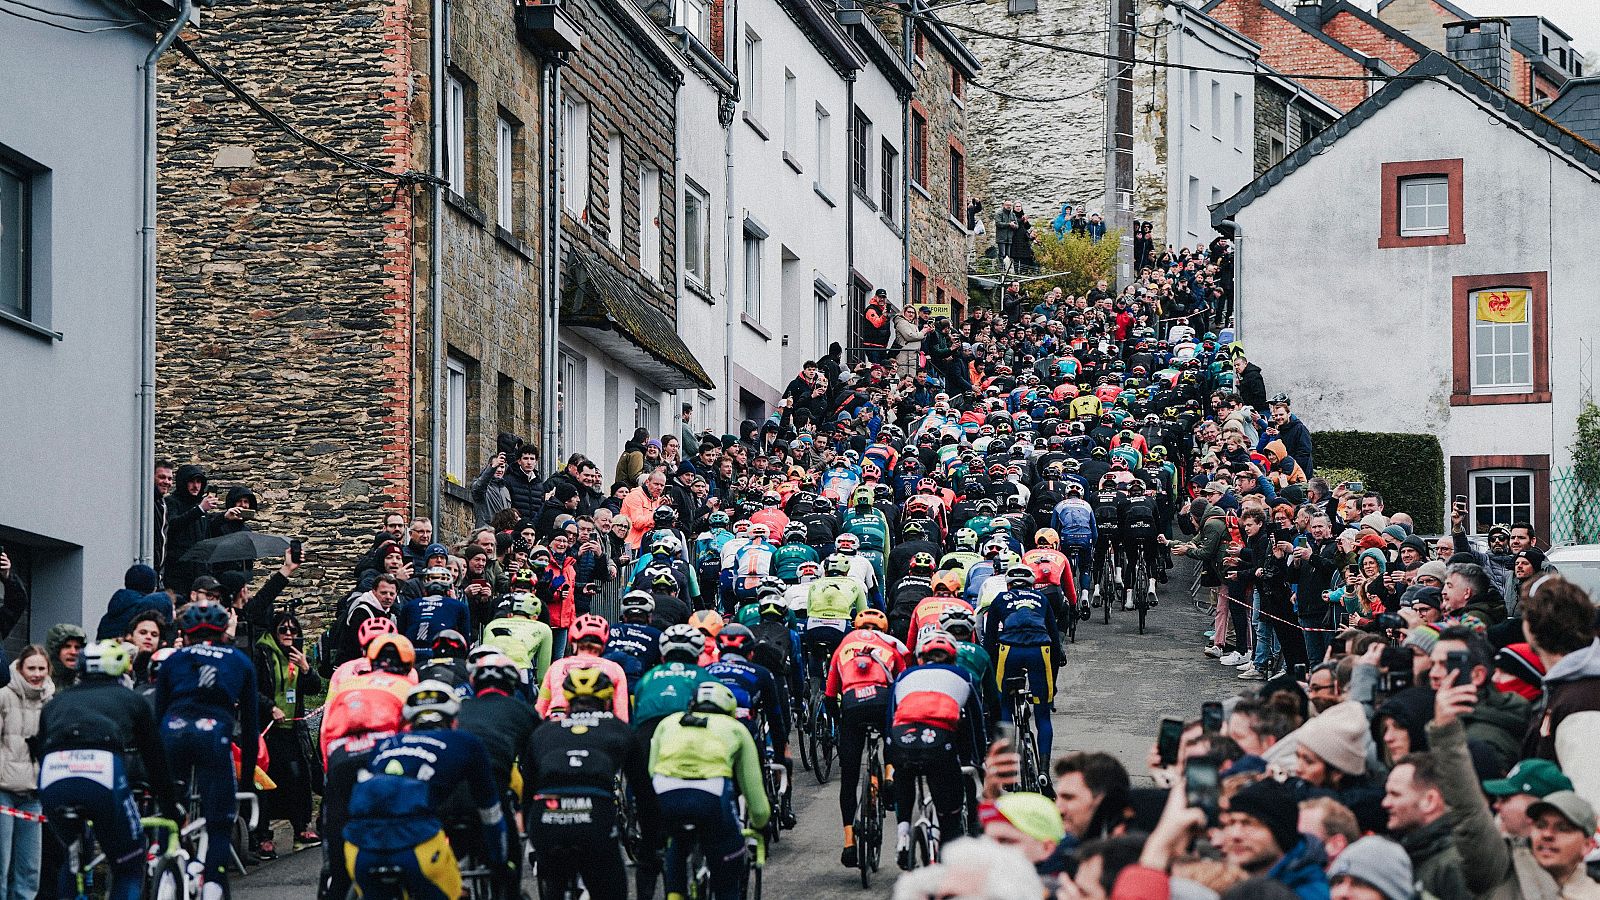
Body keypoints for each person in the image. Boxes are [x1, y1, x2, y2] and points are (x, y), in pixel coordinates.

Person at [1430, 673, 1600, 897]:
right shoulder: (1501, 867)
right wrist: (1445, 732)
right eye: (1540, 825)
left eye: (1562, 828)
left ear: (1587, 844)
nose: (1547, 835)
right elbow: (1468, 811)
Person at [37, 641, 180, 900]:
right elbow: (155, 760)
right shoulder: (132, 700)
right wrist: (170, 806)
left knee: (72, 859)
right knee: (128, 863)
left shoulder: (56, 703)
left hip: (53, 775)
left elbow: (39, 748)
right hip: (101, 771)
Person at [344, 681, 507, 900]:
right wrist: (499, 859)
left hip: (360, 850)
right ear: (454, 719)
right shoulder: (466, 742)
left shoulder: (385, 744)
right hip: (418, 846)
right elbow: (489, 808)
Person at [523, 668, 656, 900]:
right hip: (594, 817)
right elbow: (643, 793)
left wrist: (530, 833)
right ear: (607, 701)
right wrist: (651, 843)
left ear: (567, 701)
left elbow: (528, 792)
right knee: (612, 889)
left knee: (553, 882)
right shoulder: (618, 728)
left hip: (548, 818)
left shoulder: (544, 731)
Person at [158, 601, 259, 900]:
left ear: (185, 633)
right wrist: (247, 779)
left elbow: (158, 714)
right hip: (213, 736)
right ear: (224, 632)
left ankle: (164, 866)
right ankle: (213, 881)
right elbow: (250, 726)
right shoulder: (240, 661)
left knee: (169, 812)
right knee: (220, 821)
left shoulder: (174, 659)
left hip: (172, 733)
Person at [649, 681, 770, 900]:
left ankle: (674, 893)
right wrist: (761, 823)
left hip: (665, 791)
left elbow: (652, 771)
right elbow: (753, 789)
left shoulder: (667, 723)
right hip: (710, 794)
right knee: (728, 877)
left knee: (676, 840)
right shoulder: (736, 728)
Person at [887, 631, 985, 870]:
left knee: (904, 775)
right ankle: (947, 854)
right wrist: (978, 760)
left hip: (902, 739)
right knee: (949, 813)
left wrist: (890, 761)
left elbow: (890, 719)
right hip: (939, 743)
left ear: (921, 657)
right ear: (953, 658)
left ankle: (903, 834)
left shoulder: (903, 676)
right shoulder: (963, 676)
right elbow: (976, 724)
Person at [254, 610, 323, 854]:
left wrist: (306, 668)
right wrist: (270, 707)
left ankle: (301, 828)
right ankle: (263, 835)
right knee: (265, 782)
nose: (288, 634)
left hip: (293, 728)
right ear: (274, 632)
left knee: (298, 777)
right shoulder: (262, 653)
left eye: (293, 630)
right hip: (267, 729)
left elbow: (314, 688)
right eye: (283, 629)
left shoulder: (297, 654)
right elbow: (251, 688)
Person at [1216, 777, 1329, 899]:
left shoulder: (1309, 893)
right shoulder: (1223, 884)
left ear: (1280, 833)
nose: (1235, 835)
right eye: (1231, 823)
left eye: (1248, 823)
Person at [1381, 752, 1467, 900]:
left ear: (1430, 801)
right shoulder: (1411, 852)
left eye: (1395, 794)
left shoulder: (1454, 866)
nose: (1385, 803)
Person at [0, 646, 50, 899]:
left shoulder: (51, 701)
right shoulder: (3, 696)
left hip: (33, 795)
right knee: (1, 864)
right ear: (19, 669)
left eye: (42, 668)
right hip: (3, 792)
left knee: (30, 868)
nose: (37, 674)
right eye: (31, 668)